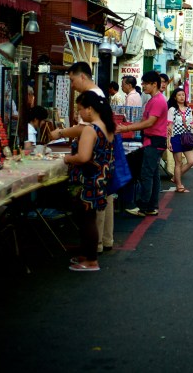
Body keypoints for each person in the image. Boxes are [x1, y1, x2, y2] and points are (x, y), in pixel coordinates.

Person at [62, 91, 115, 272]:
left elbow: (83, 157)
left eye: (80, 109)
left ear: (90, 109)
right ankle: (86, 255)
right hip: (100, 178)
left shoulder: (90, 130)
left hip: (88, 180)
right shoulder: (107, 127)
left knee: (87, 220)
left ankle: (91, 261)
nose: (80, 114)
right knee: (88, 218)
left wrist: (68, 159)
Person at [116, 71, 168, 217]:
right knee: (153, 174)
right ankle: (152, 206)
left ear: (154, 84)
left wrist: (126, 128)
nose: (143, 86)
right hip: (152, 140)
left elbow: (149, 122)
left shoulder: (157, 101)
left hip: (154, 141)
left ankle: (144, 206)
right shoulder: (153, 99)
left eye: (145, 83)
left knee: (146, 174)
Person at [167, 88, 193, 193]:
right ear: (175, 97)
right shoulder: (172, 109)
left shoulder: (188, 109)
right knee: (179, 163)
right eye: (179, 95)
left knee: (191, 161)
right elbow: (169, 127)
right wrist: (168, 141)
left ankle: (176, 177)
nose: (182, 97)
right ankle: (179, 185)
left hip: (186, 137)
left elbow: (190, 124)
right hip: (175, 137)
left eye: (183, 95)